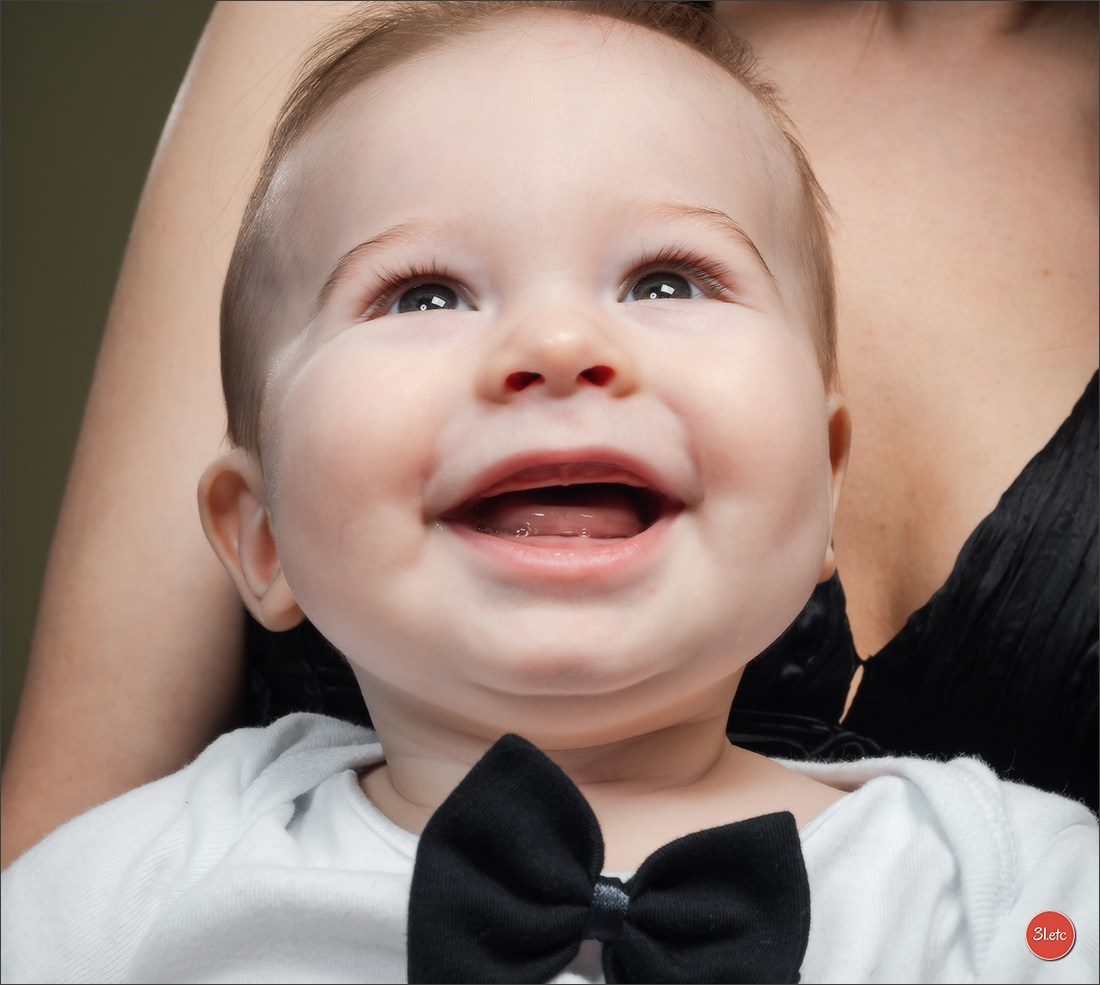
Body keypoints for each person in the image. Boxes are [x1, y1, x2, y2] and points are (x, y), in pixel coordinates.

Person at [2, 5, 1096, 983]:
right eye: (423, 292)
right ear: (262, 537)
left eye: (666, 280)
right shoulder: (125, 887)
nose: (561, 343)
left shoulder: (1020, 897)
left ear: (825, 483)